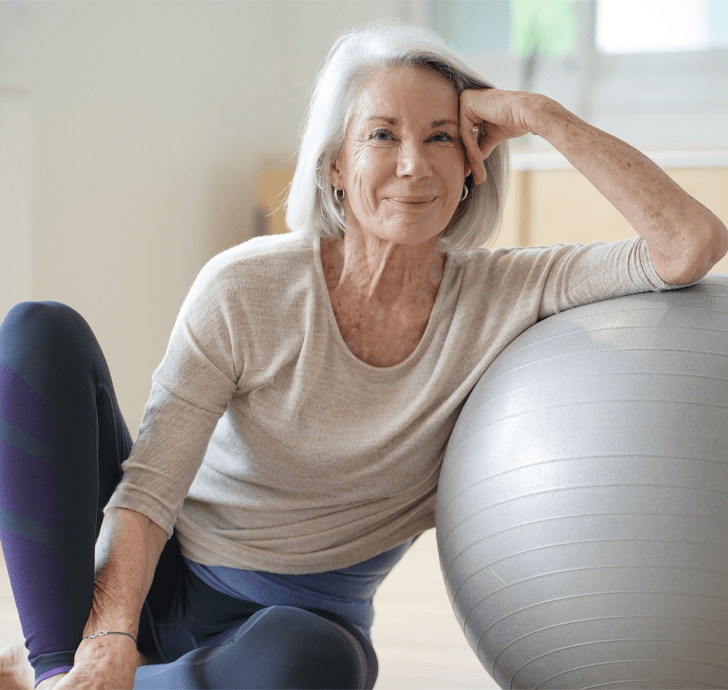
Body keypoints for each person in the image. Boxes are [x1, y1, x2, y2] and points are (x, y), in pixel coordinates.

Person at [1, 18, 726, 690]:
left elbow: (688, 245)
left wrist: (542, 115)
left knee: (307, 664)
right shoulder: (248, 287)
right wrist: (113, 632)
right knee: (38, 330)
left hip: (295, 627)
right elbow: (152, 489)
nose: (414, 165)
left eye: (442, 137)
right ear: (336, 165)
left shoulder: (507, 293)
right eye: (382, 135)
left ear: (474, 162)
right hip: (159, 575)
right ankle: (58, 668)